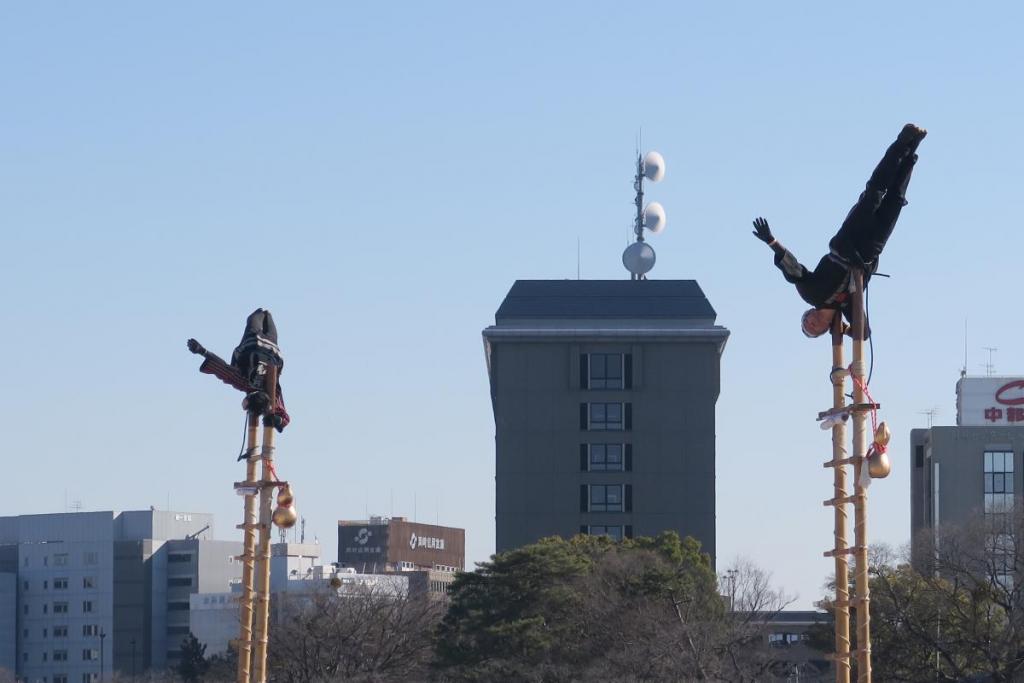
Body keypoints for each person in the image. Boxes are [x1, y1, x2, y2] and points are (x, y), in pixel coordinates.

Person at [753, 123, 927, 337]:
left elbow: (794, 270)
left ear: (808, 314)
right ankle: (912, 152)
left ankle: (902, 142)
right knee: (895, 201)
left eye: (806, 323)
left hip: (847, 242)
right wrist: (844, 330)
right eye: (813, 330)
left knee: (874, 193)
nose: (811, 324)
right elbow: (864, 333)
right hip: (868, 252)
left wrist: (772, 241)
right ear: (825, 330)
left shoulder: (811, 294)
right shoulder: (847, 308)